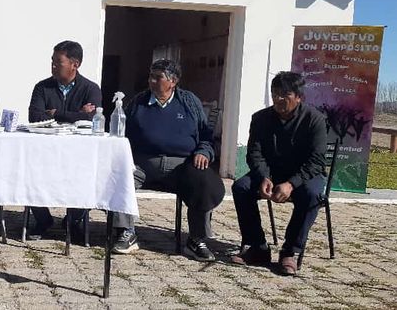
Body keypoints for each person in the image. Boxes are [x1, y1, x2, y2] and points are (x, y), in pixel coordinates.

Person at [111, 59, 225, 262]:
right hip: (144, 164)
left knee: (204, 181)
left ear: (173, 81)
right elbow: (120, 133)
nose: (152, 81)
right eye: (150, 76)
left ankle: (196, 239)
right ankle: (126, 232)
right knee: (121, 175)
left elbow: (206, 137)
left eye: (158, 77)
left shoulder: (190, 103)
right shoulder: (138, 102)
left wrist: (204, 152)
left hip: (182, 166)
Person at [231, 71, 327, 276]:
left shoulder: (314, 119)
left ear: (299, 97)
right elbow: (254, 154)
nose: (278, 99)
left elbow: (317, 161)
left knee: (312, 195)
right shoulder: (260, 118)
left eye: (285, 94)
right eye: (275, 93)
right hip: (272, 173)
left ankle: (290, 251)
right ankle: (258, 247)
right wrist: (264, 176)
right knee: (240, 187)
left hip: (304, 175)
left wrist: (291, 184)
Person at [26, 40, 102, 241]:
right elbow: (35, 116)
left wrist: (56, 113)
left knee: (88, 176)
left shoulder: (90, 89)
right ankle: (43, 220)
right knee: (28, 173)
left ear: (74, 64)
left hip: (78, 154)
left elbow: (93, 119)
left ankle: (74, 220)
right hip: (46, 151)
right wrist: (77, 114)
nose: (52, 66)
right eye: (52, 61)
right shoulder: (42, 87)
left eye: (57, 62)